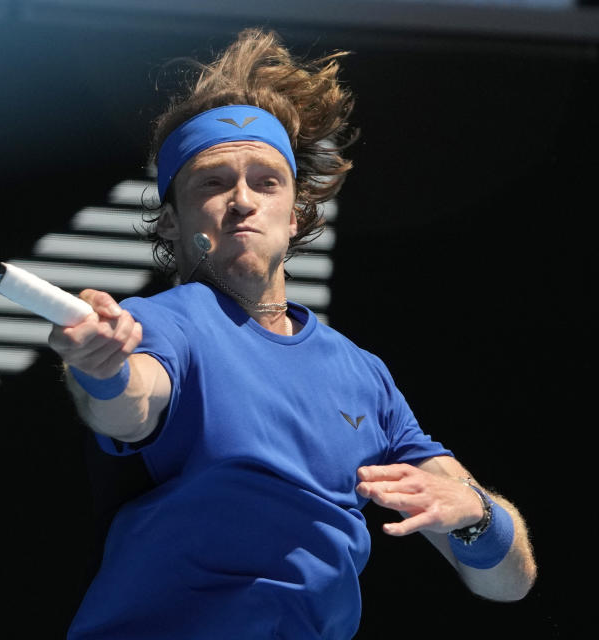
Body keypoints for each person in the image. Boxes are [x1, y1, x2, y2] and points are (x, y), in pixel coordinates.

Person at [48, 28, 536, 639]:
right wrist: (101, 367)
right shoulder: (168, 320)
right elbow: (130, 403)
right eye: (213, 182)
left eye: (266, 181)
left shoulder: (362, 375)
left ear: (297, 214)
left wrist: (476, 515)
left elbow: (507, 580)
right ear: (170, 222)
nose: (242, 200)